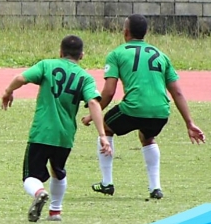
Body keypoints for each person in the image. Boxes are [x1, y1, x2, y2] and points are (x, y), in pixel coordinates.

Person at [82, 14, 205, 199]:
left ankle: (107, 183)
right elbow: (177, 92)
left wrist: (93, 115)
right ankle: (155, 188)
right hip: (161, 111)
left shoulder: (117, 54)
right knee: (147, 136)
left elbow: (108, 92)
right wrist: (189, 123)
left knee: (106, 127)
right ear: (145, 32)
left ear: (125, 32)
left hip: (133, 108)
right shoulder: (161, 55)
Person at [2, 36, 112, 223]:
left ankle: (39, 193)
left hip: (42, 131)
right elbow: (93, 102)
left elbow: (21, 78)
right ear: (82, 55)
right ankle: (55, 211)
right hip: (65, 135)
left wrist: (8, 91)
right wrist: (102, 135)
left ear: (60, 52)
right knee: (58, 170)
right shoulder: (85, 77)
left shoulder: (47, 65)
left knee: (30, 176)